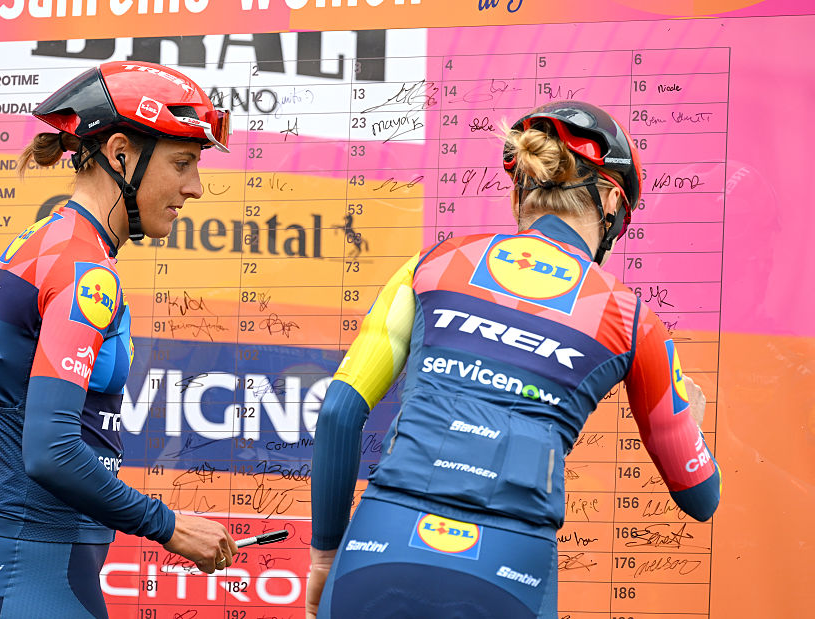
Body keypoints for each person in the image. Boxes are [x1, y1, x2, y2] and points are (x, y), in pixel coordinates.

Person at [306, 101, 722, 618]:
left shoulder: (435, 263)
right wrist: (694, 423)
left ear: (521, 188)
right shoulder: (633, 319)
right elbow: (701, 498)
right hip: (510, 570)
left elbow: (338, 413)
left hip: (377, 548)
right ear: (614, 202)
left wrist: (325, 555)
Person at [0, 61, 237, 619]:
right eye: (182, 163)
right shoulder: (85, 270)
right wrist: (169, 527)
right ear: (120, 153)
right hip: (36, 573)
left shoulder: (34, 247)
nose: (195, 188)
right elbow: (51, 450)